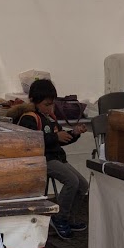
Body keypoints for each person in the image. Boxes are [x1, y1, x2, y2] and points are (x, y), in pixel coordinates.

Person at [12, 79, 89, 239]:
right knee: (72, 182)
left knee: (83, 184)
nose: (50, 108)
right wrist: (55, 136)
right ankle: (59, 218)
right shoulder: (29, 118)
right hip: (43, 159)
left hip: (57, 158)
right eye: (47, 104)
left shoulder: (50, 118)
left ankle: (67, 217)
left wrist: (74, 133)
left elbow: (62, 138)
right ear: (34, 101)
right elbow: (30, 142)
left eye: (52, 104)